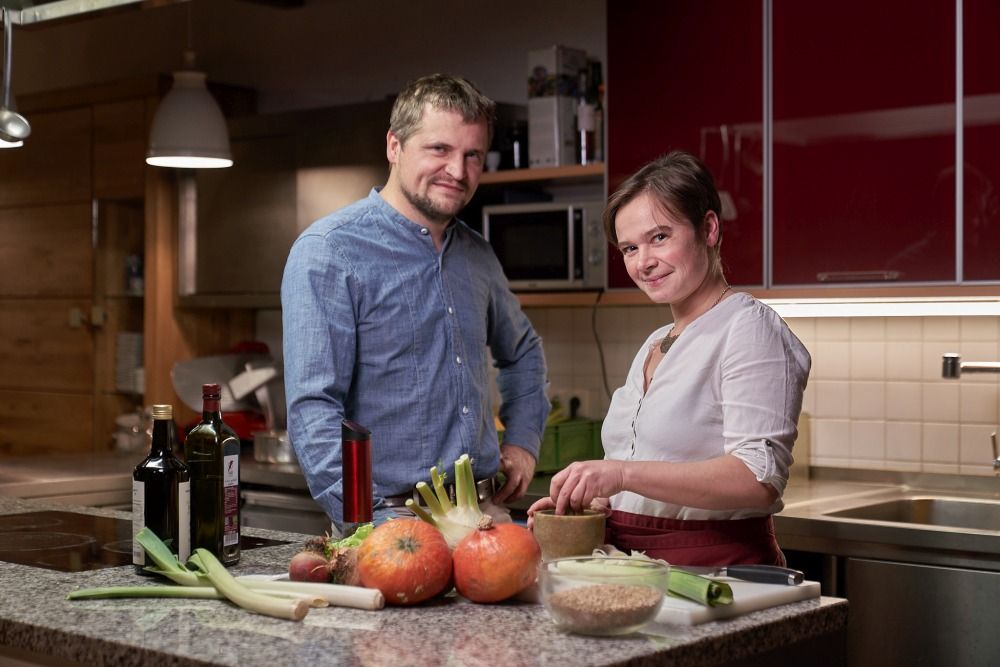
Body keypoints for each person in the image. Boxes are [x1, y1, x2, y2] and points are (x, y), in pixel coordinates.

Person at [281, 74, 549, 533]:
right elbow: (314, 410)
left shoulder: (478, 255)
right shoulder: (329, 251)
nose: (459, 172)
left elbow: (523, 353)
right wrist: (372, 524)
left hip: (488, 519)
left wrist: (523, 441)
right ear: (394, 146)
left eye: (472, 156)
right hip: (392, 523)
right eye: (439, 150)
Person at [528, 151, 810, 566]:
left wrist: (621, 474)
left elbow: (757, 479)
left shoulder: (749, 329)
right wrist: (589, 505)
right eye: (629, 248)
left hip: (717, 574)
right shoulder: (656, 342)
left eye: (660, 237)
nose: (644, 262)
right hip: (635, 570)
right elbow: (643, 474)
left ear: (708, 229)